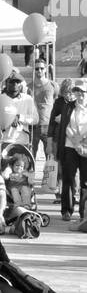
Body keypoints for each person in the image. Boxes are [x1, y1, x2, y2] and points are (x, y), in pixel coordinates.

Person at [51, 80, 87, 222]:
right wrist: (76, 142)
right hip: (70, 146)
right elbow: (66, 126)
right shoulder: (68, 107)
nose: (80, 94)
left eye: (83, 91)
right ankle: (67, 210)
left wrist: (83, 141)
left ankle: (84, 212)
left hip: (86, 148)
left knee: (85, 182)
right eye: (77, 91)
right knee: (68, 179)